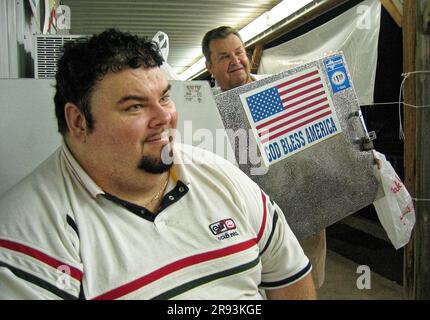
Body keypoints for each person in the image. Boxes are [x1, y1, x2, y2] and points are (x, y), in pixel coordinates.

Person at [0, 28, 316, 300]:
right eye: (135, 106)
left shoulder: (221, 177)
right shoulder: (27, 237)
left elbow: (291, 278)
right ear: (79, 121)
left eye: (164, 98)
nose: (165, 117)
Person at [202, 25, 327, 289]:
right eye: (224, 57)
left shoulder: (275, 91)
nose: (235, 61)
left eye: (239, 52)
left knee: (303, 285)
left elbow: (314, 141)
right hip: (244, 219)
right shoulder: (205, 112)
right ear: (209, 67)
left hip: (299, 212)